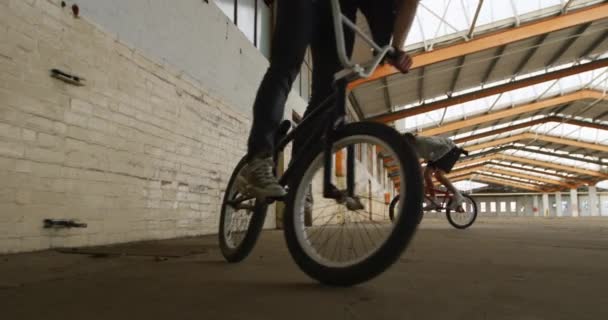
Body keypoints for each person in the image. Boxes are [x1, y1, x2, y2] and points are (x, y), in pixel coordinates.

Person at [239, 0, 421, 199]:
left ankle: (299, 172)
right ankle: (259, 158)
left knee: (330, 92)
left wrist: (394, 48)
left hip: (341, 9)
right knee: (285, 67)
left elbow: (402, 4)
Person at [402, 133, 467, 210]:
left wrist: (433, 158)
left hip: (450, 151)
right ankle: (433, 200)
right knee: (426, 174)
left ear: (412, 140)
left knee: (438, 175)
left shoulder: (424, 141)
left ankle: (458, 195)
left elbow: (445, 147)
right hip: (436, 155)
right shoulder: (413, 148)